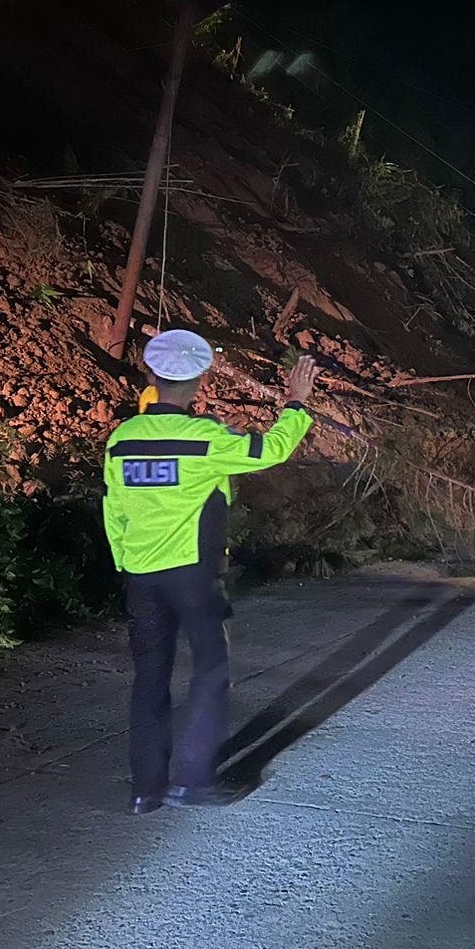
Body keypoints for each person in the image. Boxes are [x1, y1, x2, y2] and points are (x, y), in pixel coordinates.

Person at [103, 329, 319, 815]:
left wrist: (125, 562)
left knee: (149, 679)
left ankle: (145, 790)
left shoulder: (121, 439)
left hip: (141, 577)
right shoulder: (204, 439)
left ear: (152, 377)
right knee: (210, 670)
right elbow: (270, 450)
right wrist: (296, 403)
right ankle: (193, 781)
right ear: (199, 380)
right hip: (192, 578)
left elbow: (113, 510)